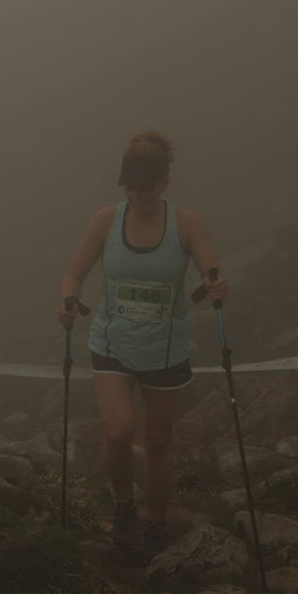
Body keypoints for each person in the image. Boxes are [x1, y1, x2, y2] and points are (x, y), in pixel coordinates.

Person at [57, 131, 229, 563]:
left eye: (145, 187)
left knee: (159, 442)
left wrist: (215, 283)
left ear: (164, 181)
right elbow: (73, 274)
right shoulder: (105, 221)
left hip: (166, 350)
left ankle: (155, 524)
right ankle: (123, 508)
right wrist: (68, 302)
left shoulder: (186, 223)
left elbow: (212, 270)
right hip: (112, 344)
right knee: (117, 435)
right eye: (129, 187)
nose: (137, 195)